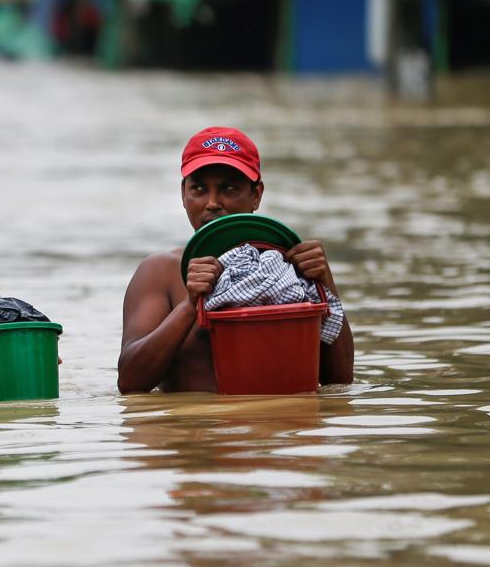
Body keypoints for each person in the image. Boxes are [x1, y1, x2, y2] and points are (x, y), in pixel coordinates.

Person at [117, 127, 354, 393]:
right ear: (184, 194)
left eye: (229, 189)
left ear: (256, 195)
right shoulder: (160, 272)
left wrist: (325, 282)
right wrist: (189, 305)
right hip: (196, 430)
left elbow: (340, 382)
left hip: (275, 430)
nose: (212, 203)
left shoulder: (290, 269)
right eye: (199, 189)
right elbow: (130, 383)